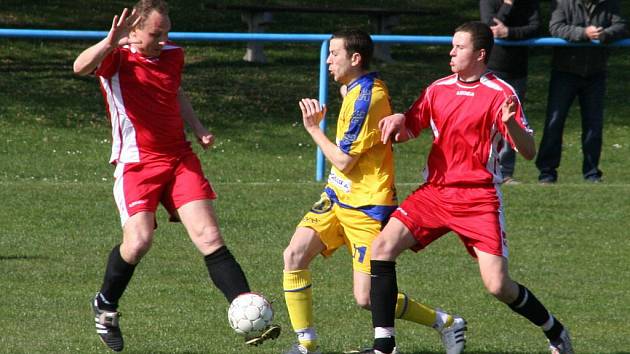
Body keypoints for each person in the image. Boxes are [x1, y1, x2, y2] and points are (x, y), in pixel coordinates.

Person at [72, 1, 279, 351]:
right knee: (138, 242)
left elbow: (174, 90)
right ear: (133, 31)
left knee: (209, 236)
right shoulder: (116, 59)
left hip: (179, 158)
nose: (163, 39)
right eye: (155, 33)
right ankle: (105, 305)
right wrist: (109, 42)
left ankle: (247, 311)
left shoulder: (172, 54)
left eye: (166, 32)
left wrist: (197, 127)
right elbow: (79, 67)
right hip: (136, 163)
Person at [364, 22, 574, 354]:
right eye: (452, 46)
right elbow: (409, 130)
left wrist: (509, 127)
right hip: (435, 192)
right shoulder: (438, 89)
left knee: (498, 285)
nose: (451, 52)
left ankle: (555, 330)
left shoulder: (501, 94)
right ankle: (383, 345)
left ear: (480, 54)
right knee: (382, 248)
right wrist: (396, 120)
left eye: (459, 48)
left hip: (478, 199)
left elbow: (529, 150)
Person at [282, 29, 467, 354]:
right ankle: (306, 345)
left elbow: (343, 160)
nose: (328, 60)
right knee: (294, 255)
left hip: (368, 206)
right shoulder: (354, 88)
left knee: (367, 298)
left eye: (334, 54)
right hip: (337, 197)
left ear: (355, 59)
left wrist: (313, 128)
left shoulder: (369, 97)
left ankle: (446, 323)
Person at [536, 0, 627, 184]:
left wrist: (605, 34)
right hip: (564, 71)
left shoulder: (609, 4)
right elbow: (556, 28)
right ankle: (547, 172)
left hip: (596, 73)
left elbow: (622, 26)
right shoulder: (563, 2)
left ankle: (592, 172)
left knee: (594, 125)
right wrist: (583, 33)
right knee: (554, 122)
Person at [480, 0, 541, 184]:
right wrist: (507, 5)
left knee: (511, 122)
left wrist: (509, 33)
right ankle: (482, 166)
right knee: (485, 121)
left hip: (518, 70)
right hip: (492, 68)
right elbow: (489, 27)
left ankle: (505, 172)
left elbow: (536, 27)